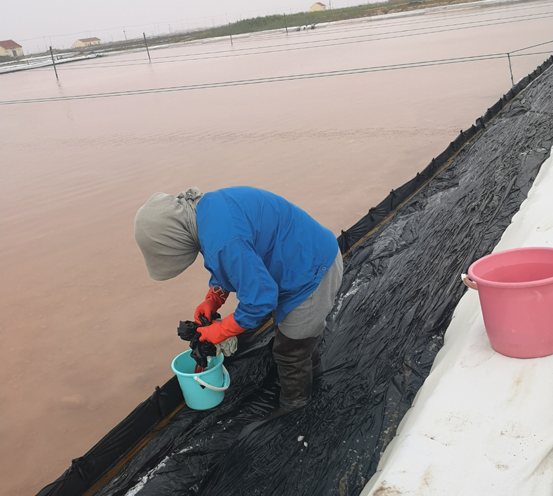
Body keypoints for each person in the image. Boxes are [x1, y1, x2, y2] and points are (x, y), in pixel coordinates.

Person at [134, 186, 343, 413]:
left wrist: (222, 330)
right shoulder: (205, 213)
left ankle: (295, 406)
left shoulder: (223, 238)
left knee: (289, 351)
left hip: (313, 271)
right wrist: (214, 298)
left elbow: (261, 300)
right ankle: (313, 374)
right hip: (298, 259)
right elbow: (235, 262)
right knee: (294, 338)